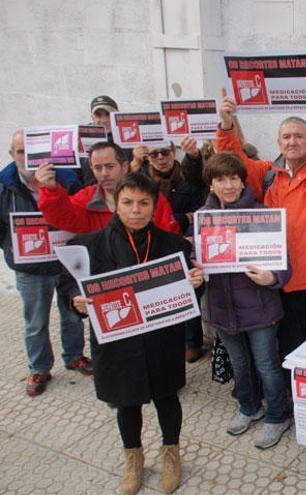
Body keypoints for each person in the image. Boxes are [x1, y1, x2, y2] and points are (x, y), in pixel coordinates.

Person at [64, 173, 205, 495]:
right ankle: (133, 458)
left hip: (162, 342)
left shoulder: (174, 247)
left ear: (155, 206)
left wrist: (197, 283)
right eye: (128, 202)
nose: (136, 210)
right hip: (117, 344)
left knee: (167, 397)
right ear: (115, 203)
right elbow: (68, 285)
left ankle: (171, 454)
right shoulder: (88, 246)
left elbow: (187, 296)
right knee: (126, 403)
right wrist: (77, 301)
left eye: (144, 203)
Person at [216, 93, 306, 359]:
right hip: (283, 283)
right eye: (287, 137)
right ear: (279, 142)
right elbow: (233, 160)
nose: (293, 141)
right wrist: (225, 124)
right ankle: (294, 399)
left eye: (299, 136)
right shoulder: (266, 174)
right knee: (292, 352)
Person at [199, 152, 292, 449]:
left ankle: (278, 416)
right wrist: (195, 270)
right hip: (222, 310)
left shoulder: (261, 214)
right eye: (220, 179)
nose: (228, 185)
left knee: (266, 364)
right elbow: (195, 258)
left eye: (233, 178)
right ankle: (250, 408)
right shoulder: (204, 218)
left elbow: (284, 264)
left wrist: (272, 278)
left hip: (260, 310)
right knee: (240, 364)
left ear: (242, 181)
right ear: (211, 185)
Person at [0, 130, 91, 396]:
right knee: (36, 320)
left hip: (65, 262)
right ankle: (39, 367)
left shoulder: (68, 180)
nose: (28, 159)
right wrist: (13, 248)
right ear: (12, 155)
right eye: (21, 153)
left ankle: (74, 355)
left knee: (72, 315)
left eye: (33, 153)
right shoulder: (5, 187)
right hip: (30, 268)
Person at [132, 140, 207, 362]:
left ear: (174, 153)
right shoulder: (143, 181)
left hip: (185, 243)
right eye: (154, 154)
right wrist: (183, 218)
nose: (161, 158)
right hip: (155, 245)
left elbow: (200, 212)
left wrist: (185, 223)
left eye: (165, 152)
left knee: (190, 291)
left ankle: (193, 342)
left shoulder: (187, 179)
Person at [36, 141, 181, 235]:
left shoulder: (150, 195)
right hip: (106, 275)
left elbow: (170, 235)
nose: (104, 174)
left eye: (110, 166)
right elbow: (62, 218)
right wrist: (50, 189)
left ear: (124, 167)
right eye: (98, 168)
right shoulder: (87, 198)